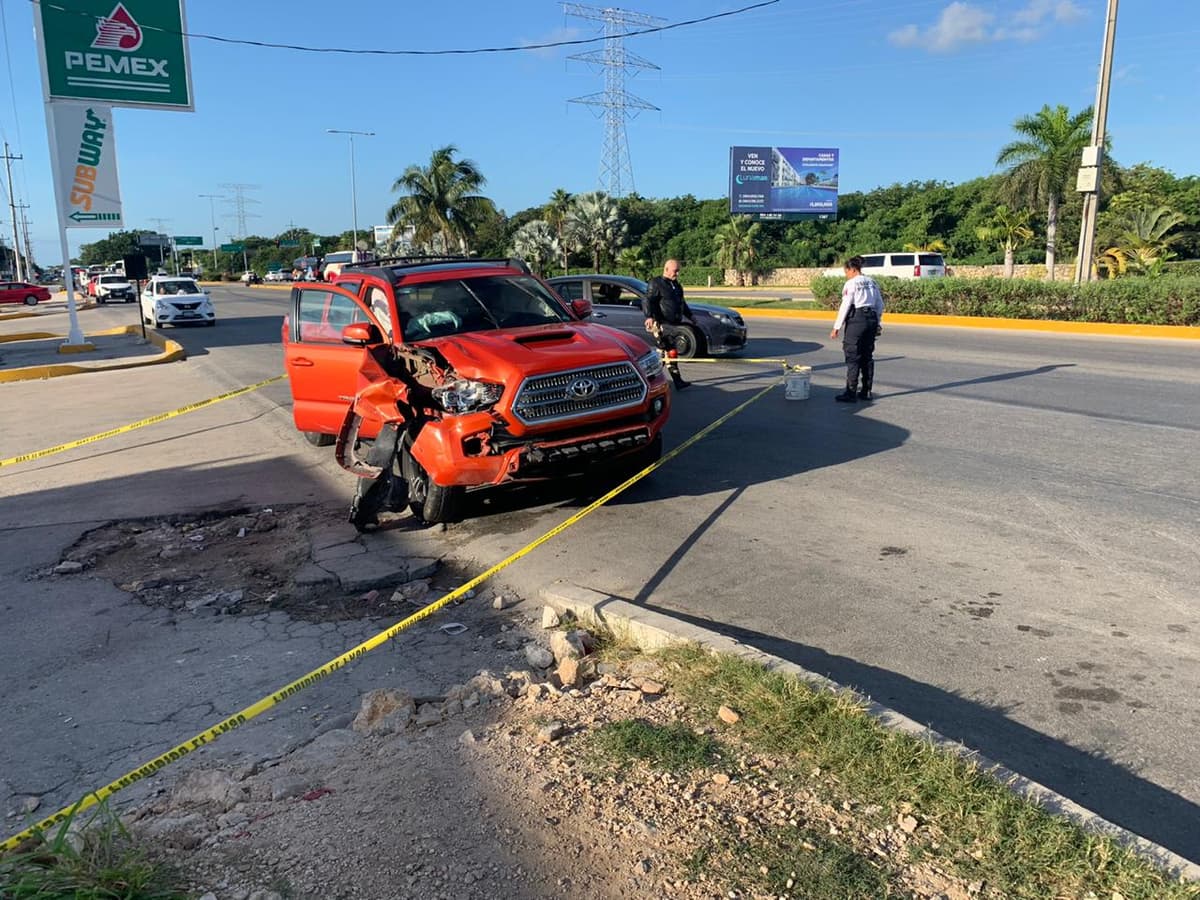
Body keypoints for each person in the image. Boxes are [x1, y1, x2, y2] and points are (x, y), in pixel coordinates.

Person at [830, 255, 884, 402]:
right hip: (872, 319)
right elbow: (880, 304)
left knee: (853, 356)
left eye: (846, 272)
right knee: (867, 356)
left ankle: (850, 392)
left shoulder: (851, 284)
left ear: (852, 269)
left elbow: (846, 305)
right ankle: (866, 391)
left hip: (857, 320)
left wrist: (836, 327)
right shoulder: (872, 282)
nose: (845, 275)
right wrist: (878, 322)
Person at [643, 259, 694, 390]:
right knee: (666, 352)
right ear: (666, 269)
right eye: (675, 271)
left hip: (674, 323)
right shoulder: (656, 283)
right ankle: (649, 380)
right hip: (661, 325)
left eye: (678, 271)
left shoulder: (676, 285)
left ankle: (674, 381)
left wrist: (691, 316)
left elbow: (682, 303)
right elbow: (648, 300)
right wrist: (649, 316)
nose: (677, 274)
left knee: (668, 352)